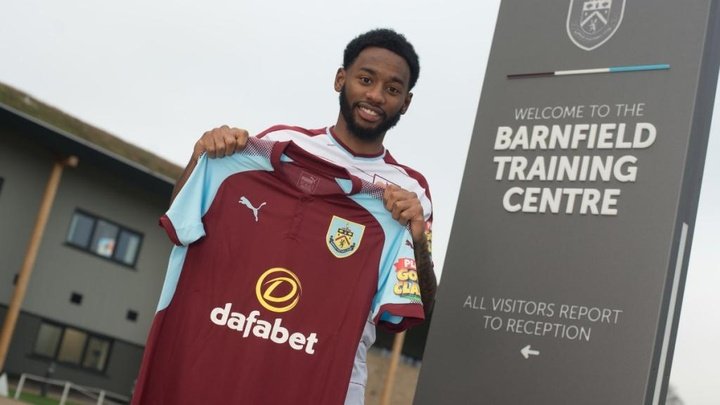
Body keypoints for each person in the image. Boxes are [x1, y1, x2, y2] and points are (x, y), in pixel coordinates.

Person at [169, 28, 436, 404]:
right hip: (244, 348)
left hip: (335, 378)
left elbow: (420, 300)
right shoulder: (278, 144)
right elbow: (182, 225)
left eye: (392, 90)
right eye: (365, 79)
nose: (375, 96)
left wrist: (418, 238)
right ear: (340, 79)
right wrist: (200, 159)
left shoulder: (412, 191)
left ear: (405, 103)